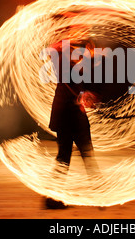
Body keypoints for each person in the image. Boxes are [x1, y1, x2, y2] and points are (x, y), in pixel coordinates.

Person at [45, 38, 100, 209]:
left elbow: (77, 85)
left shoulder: (77, 62)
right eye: (92, 50)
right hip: (67, 116)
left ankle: (99, 193)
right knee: (69, 156)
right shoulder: (67, 60)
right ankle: (53, 199)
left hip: (73, 116)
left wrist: (87, 96)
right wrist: (81, 96)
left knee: (82, 154)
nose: (93, 54)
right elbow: (68, 83)